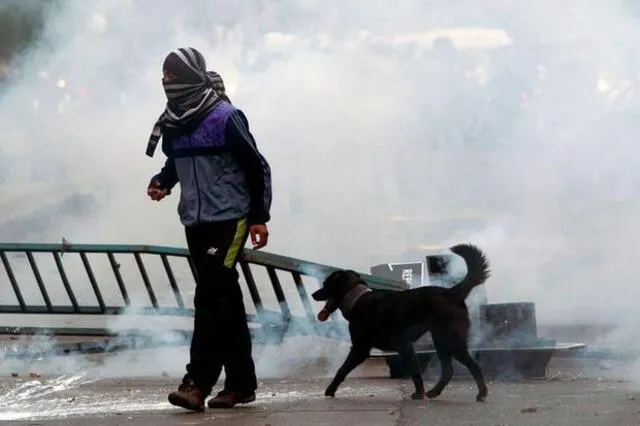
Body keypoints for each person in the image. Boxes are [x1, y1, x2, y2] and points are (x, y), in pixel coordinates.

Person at [145, 47, 272, 412]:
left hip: (230, 220)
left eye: (172, 75)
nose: (166, 82)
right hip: (195, 222)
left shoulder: (225, 118)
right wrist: (163, 182)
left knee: (208, 296)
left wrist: (259, 216)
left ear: (189, 77)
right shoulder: (172, 121)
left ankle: (197, 382)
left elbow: (257, 167)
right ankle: (241, 384)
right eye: (164, 75)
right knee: (224, 303)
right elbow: (175, 162)